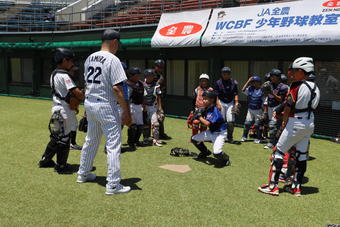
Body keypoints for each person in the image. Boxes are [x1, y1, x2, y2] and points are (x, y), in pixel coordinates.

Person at [77, 29, 132, 195]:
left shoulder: (89, 58)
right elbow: (117, 88)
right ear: (114, 42)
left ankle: (83, 173)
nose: (118, 47)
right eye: (118, 44)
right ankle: (113, 184)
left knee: (91, 140)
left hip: (90, 103)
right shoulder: (113, 59)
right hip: (106, 105)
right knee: (113, 145)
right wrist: (126, 112)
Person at [258, 57, 320, 197]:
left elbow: (288, 106)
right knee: (301, 156)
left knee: (278, 152)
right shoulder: (316, 86)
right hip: (309, 123)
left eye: (295, 70)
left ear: (301, 71)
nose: (292, 73)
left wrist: (284, 123)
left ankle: (273, 186)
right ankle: (296, 188)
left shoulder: (296, 85)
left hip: (295, 122)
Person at [38, 48, 84, 173]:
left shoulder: (54, 73)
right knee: (64, 138)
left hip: (56, 108)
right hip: (64, 110)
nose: (72, 63)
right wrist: (84, 91)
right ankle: (61, 166)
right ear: (64, 60)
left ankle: (45, 160)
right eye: (70, 60)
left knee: (56, 137)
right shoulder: (64, 75)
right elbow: (77, 94)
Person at [191, 90, 231, 167]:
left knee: (216, 153)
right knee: (194, 139)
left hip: (220, 133)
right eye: (203, 99)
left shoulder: (214, 110)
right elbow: (202, 114)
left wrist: (199, 116)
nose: (204, 101)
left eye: (206, 99)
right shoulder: (207, 108)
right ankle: (205, 152)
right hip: (211, 132)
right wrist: (195, 116)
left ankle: (226, 159)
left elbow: (207, 123)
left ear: (212, 100)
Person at [214, 66, 241, 144]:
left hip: (230, 102)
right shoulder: (218, 83)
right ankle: (219, 136)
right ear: (222, 74)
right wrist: (217, 103)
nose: (226, 75)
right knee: (221, 120)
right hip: (221, 101)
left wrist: (236, 103)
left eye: (227, 73)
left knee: (230, 121)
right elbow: (216, 94)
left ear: (230, 74)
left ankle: (229, 137)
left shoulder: (234, 82)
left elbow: (236, 93)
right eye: (224, 73)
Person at [263, 69, 289, 149]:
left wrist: (271, 93)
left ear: (278, 77)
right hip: (270, 106)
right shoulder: (270, 84)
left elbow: (281, 99)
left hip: (279, 107)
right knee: (274, 126)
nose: (272, 78)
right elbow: (266, 95)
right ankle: (276, 142)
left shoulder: (283, 87)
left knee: (273, 125)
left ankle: (271, 143)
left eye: (274, 76)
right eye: (271, 76)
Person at [240, 76, 265, 143]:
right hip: (250, 109)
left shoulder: (262, 90)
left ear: (259, 82)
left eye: (255, 82)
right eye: (252, 82)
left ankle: (259, 138)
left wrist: (264, 112)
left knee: (257, 125)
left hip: (259, 110)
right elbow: (243, 90)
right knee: (247, 123)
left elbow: (265, 102)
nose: (253, 83)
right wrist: (248, 81)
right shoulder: (250, 88)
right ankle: (244, 137)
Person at [143, 69, 163, 147]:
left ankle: (156, 140)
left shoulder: (156, 85)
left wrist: (160, 109)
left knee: (156, 124)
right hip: (144, 107)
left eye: (151, 76)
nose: (150, 77)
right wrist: (143, 107)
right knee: (145, 124)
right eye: (148, 76)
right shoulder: (142, 85)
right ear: (145, 76)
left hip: (153, 107)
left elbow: (158, 97)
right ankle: (146, 139)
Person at [126, 67, 144, 150]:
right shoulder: (127, 84)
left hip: (139, 106)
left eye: (138, 75)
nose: (138, 77)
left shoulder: (140, 84)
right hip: (131, 106)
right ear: (131, 75)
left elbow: (142, 95)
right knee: (133, 126)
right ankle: (131, 142)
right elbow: (127, 98)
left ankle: (136, 141)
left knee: (140, 126)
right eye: (136, 75)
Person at [154, 59, 171, 140]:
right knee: (156, 116)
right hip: (154, 98)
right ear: (155, 66)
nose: (160, 68)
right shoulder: (152, 75)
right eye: (159, 67)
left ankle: (161, 133)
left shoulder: (160, 75)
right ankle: (150, 136)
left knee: (161, 116)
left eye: (161, 67)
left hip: (161, 97)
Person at [68, 65, 83, 150]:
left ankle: (70, 143)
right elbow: (73, 95)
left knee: (71, 124)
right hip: (66, 105)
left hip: (68, 105)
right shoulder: (68, 79)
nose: (74, 72)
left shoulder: (71, 79)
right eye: (72, 70)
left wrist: (75, 107)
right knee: (73, 124)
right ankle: (71, 143)